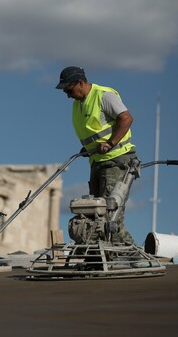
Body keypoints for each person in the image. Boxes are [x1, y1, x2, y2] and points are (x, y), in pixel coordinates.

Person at [56, 66, 136, 244]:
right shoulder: (78, 104)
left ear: (80, 83)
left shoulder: (104, 95)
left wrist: (110, 143)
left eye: (69, 89)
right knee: (92, 214)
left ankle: (132, 256)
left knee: (109, 216)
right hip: (97, 162)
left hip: (116, 161)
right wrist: (89, 148)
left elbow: (126, 118)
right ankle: (98, 259)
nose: (67, 95)